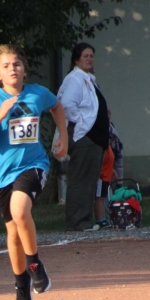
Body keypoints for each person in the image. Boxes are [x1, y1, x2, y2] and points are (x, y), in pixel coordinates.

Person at [0, 44, 68, 300]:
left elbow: (56, 106)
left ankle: (35, 265)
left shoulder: (37, 93)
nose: (12, 69)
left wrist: (63, 136)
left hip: (33, 165)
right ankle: (21, 285)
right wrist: (0, 114)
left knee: (20, 210)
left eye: (16, 64)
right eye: (5, 66)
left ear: (25, 69)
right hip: (3, 175)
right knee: (13, 233)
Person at [57, 42, 110, 231]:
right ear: (76, 60)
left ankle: (84, 221)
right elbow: (67, 105)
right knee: (81, 179)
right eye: (85, 56)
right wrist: (83, 123)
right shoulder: (75, 79)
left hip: (92, 139)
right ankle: (78, 222)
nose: (89, 59)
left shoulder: (87, 79)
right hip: (84, 137)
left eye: (91, 56)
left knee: (89, 181)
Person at [94, 142, 116, 229]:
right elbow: (102, 159)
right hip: (102, 176)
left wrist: (111, 170)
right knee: (99, 197)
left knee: (102, 197)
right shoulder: (103, 146)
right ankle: (100, 219)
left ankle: (103, 218)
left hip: (106, 176)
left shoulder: (107, 145)